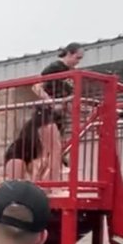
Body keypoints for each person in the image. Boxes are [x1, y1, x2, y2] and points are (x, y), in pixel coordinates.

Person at [29, 44, 84, 182]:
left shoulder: (72, 74)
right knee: (55, 151)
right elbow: (36, 86)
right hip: (46, 114)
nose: (79, 61)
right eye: (77, 57)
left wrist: (78, 112)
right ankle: (51, 185)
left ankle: (38, 184)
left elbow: (69, 97)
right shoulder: (55, 67)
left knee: (51, 153)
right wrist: (51, 102)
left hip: (59, 116)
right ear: (69, 54)